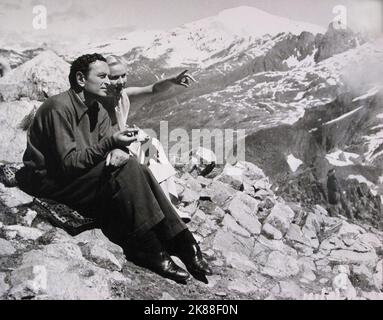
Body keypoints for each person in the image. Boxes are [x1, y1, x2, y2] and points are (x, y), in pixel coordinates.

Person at [17, 53, 212, 283]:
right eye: (102, 77)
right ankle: (150, 247)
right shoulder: (58, 108)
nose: (109, 82)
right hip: (52, 180)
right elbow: (67, 164)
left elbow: (109, 143)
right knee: (127, 170)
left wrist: (118, 149)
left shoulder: (97, 109)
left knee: (135, 167)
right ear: (81, 79)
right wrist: (112, 145)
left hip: (79, 174)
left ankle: (181, 239)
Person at [103, 55, 196, 222]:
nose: (121, 81)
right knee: (149, 152)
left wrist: (173, 80)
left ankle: (168, 204)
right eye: (114, 77)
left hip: (122, 143)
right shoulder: (101, 101)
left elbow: (153, 89)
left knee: (152, 144)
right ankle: (166, 209)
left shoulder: (123, 95)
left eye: (123, 76)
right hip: (110, 150)